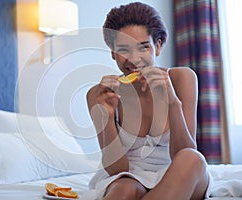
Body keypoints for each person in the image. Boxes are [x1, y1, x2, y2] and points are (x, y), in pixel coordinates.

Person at [86, 2, 211, 200]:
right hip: (129, 176)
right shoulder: (100, 94)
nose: (134, 59)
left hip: (181, 173)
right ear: (112, 52)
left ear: (158, 46)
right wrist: (107, 118)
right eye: (123, 50)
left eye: (143, 47)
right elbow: (117, 169)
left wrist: (172, 102)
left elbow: (183, 151)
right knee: (122, 190)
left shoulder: (181, 79)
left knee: (192, 158)